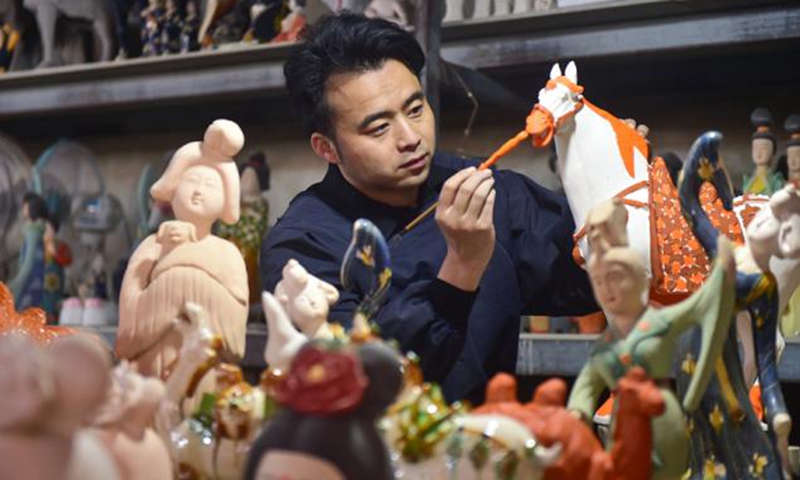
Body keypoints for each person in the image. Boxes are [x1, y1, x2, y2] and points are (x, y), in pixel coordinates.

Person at [260, 13, 597, 402]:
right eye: (379, 128)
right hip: (375, 456)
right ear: (326, 148)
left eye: (416, 109)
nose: (410, 138)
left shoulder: (479, 186)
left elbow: (591, 282)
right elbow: (360, 385)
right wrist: (461, 267)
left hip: (489, 443)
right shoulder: (303, 245)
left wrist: (616, 191)